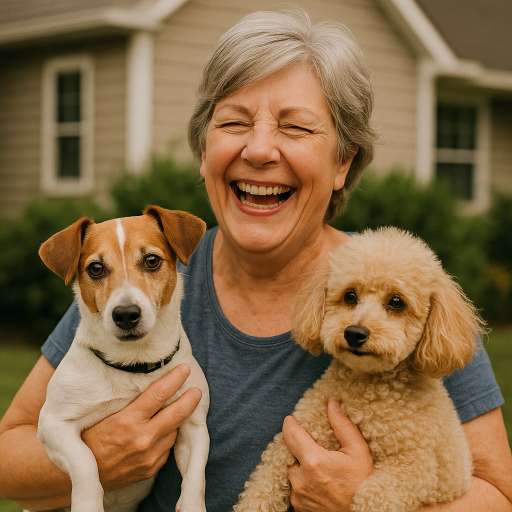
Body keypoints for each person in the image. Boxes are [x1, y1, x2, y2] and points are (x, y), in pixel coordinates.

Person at [0, 10, 511, 512]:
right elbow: (10, 453)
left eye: (296, 128)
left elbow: (499, 493)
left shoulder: (405, 295)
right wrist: (98, 457)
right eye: (234, 122)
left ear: (343, 161)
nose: (260, 150)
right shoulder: (142, 283)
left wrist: (358, 502)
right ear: (204, 152)